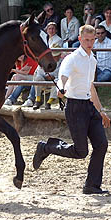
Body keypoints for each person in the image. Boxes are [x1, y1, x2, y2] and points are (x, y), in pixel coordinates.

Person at [33, 25, 111, 194]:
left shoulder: (92, 60)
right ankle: (46, 147)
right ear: (80, 39)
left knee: (102, 145)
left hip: (89, 107)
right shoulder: (72, 58)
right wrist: (61, 88)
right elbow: (62, 77)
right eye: (87, 40)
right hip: (75, 108)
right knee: (80, 151)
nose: (90, 43)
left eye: (92, 40)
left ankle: (92, 186)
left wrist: (101, 111)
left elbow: (91, 88)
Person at [32, 44, 63, 110]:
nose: (56, 57)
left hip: (54, 83)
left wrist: (53, 76)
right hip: (44, 81)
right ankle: (38, 100)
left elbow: (61, 75)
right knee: (38, 78)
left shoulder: (62, 62)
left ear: (60, 55)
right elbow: (39, 72)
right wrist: (46, 76)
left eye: (57, 55)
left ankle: (49, 102)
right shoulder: (45, 61)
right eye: (54, 55)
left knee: (58, 82)